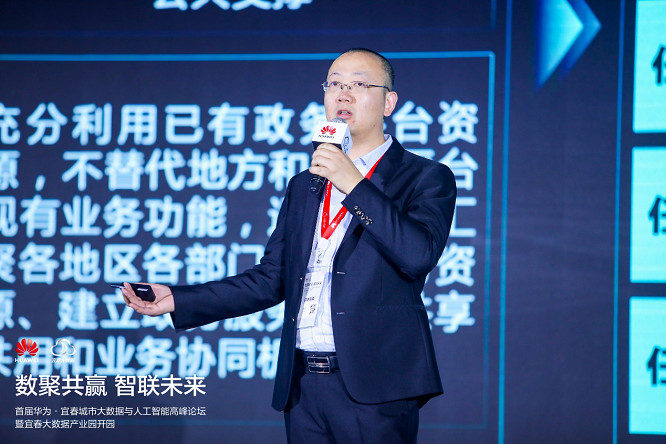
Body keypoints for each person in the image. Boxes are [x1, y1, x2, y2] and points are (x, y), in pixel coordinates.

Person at [122, 48, 457, 443]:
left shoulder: (425, 177)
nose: (343, 94)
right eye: (334, 84)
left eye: (358, 84)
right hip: (302, 385)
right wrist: (179, 299)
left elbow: (418, 255)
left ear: (388, 102)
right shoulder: (306, 183)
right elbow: (271, 278)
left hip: (377, 386)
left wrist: (353, 183)